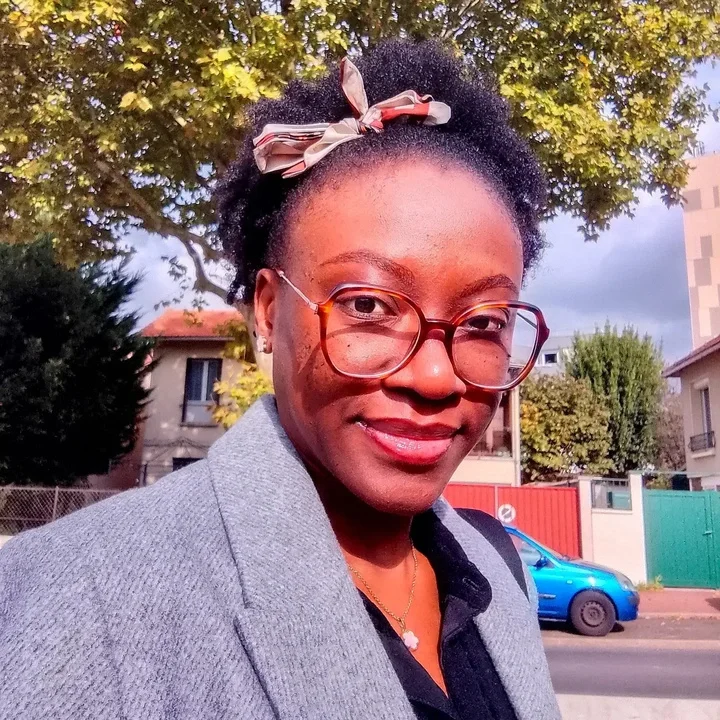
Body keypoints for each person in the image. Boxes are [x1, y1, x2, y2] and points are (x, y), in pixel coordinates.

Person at [0, 41, 559, 720]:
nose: (437, 378)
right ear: (268, 311)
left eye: (485, 322)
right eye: (368, 305)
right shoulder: (67, 600)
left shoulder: (498, 571)